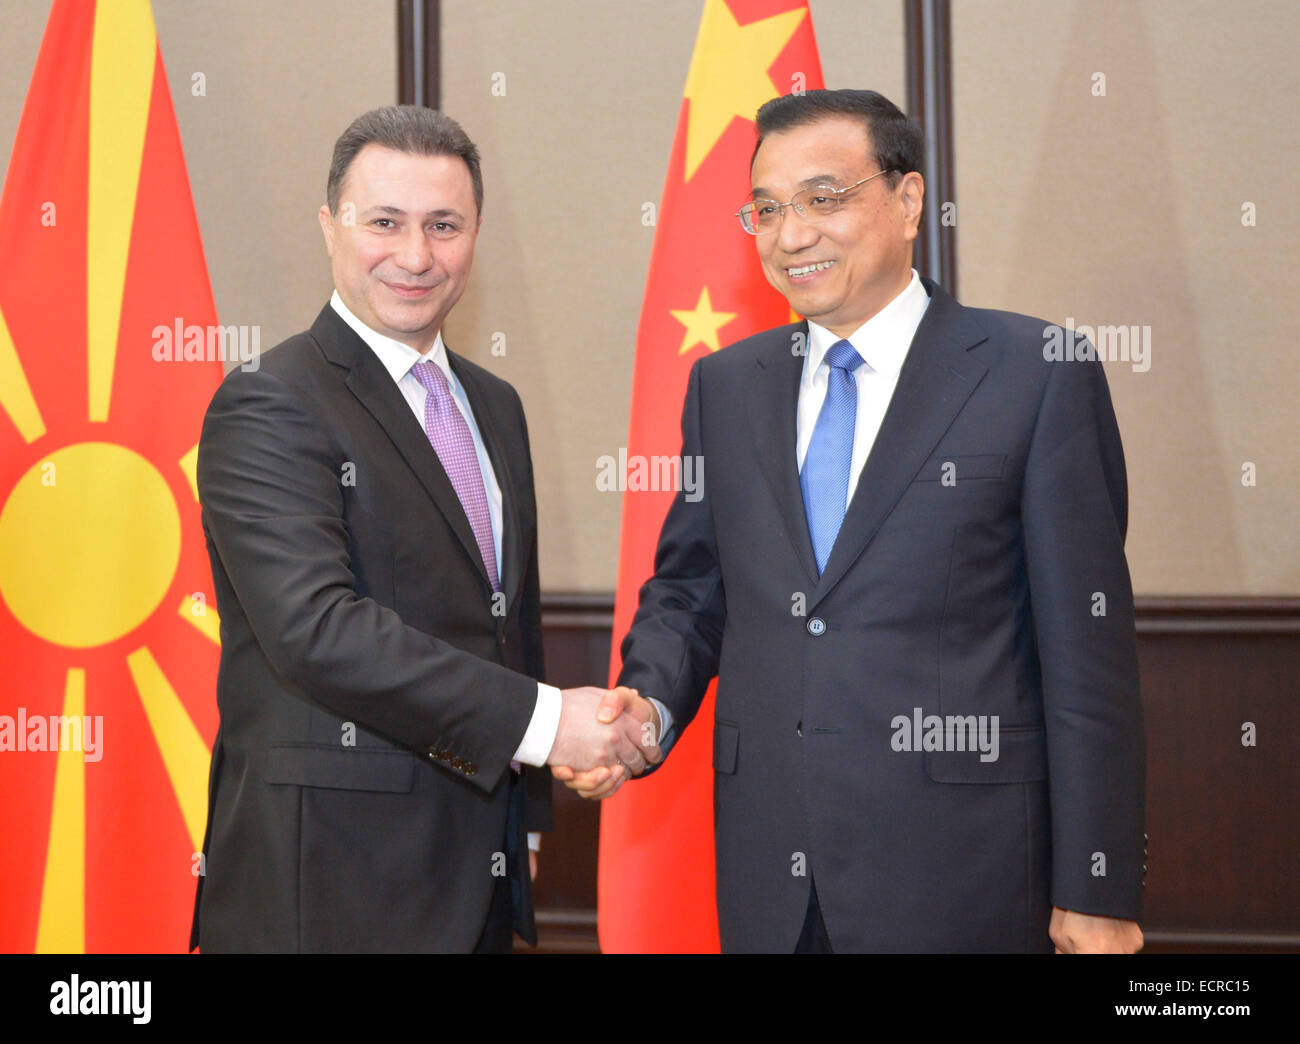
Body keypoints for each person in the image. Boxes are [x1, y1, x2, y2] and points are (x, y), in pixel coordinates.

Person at [555, 89, 1146, 954]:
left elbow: (1089, 652)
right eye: (766, 208)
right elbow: (691, 588)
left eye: (824, 199)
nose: (792, 234)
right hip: (770, 877)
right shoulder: (727, 386)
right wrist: (644, 708)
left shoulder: (1034, 372)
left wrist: (1096, 885)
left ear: (908, 202)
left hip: (968, 877)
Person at [191, 105, 660, 953]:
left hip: (475, 876)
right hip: (327, 890)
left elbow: (500, 627)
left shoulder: (495, 405)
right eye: (384, 223)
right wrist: (551, 724)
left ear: (476, 235)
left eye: (444, 225)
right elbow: (316, 632)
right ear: (329, 227)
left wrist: (543, 778)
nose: (415, 256)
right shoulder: (270, 399)